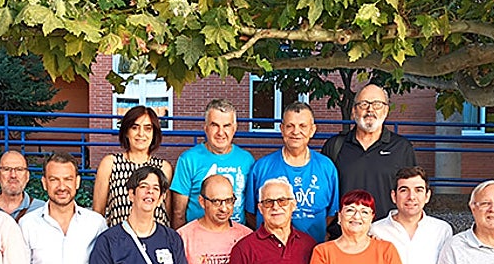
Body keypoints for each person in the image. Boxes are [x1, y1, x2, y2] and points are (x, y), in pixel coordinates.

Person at [244, 101, 339, 241]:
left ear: (312, 130)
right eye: (290, 126)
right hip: (270, 251)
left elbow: (331, 213)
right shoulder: (262, 167)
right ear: (282, 129)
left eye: (302, 126)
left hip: (312, 250)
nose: (296, 132)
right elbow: (251, 213)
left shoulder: (326, 167)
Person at [321, 84, 416, 219]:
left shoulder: (402, 148)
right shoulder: (335, 146)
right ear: (354, 111)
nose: (370, 109)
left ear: (386, 110)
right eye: (363, 104)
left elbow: (411, 194)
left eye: (377, 104)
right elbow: (324, 195)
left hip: (386, 234)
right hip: (344, 234)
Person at [170, 99, 255, 226]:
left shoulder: (246, 160)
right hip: (198, 239)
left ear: (234, 128)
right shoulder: (188, 160)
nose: (221, 132)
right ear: (205, 128)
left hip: (236, 238)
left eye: (226, 126)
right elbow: (178, 213)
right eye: (214, 125)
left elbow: (249, 209)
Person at [93, 105, 173, 226]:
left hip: (156, 242)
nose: (141, 134)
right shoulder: (110, 164)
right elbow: (98, 213)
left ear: (154, 133)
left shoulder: (163, 168)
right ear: (126, 131)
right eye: (135, 127)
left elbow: (169, 213)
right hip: (118, 241)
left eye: (147, 128)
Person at [0, 150, 46, 221]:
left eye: (19, 169)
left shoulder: (41, 209)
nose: (13, 175)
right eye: (6, 169)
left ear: (27, 176)